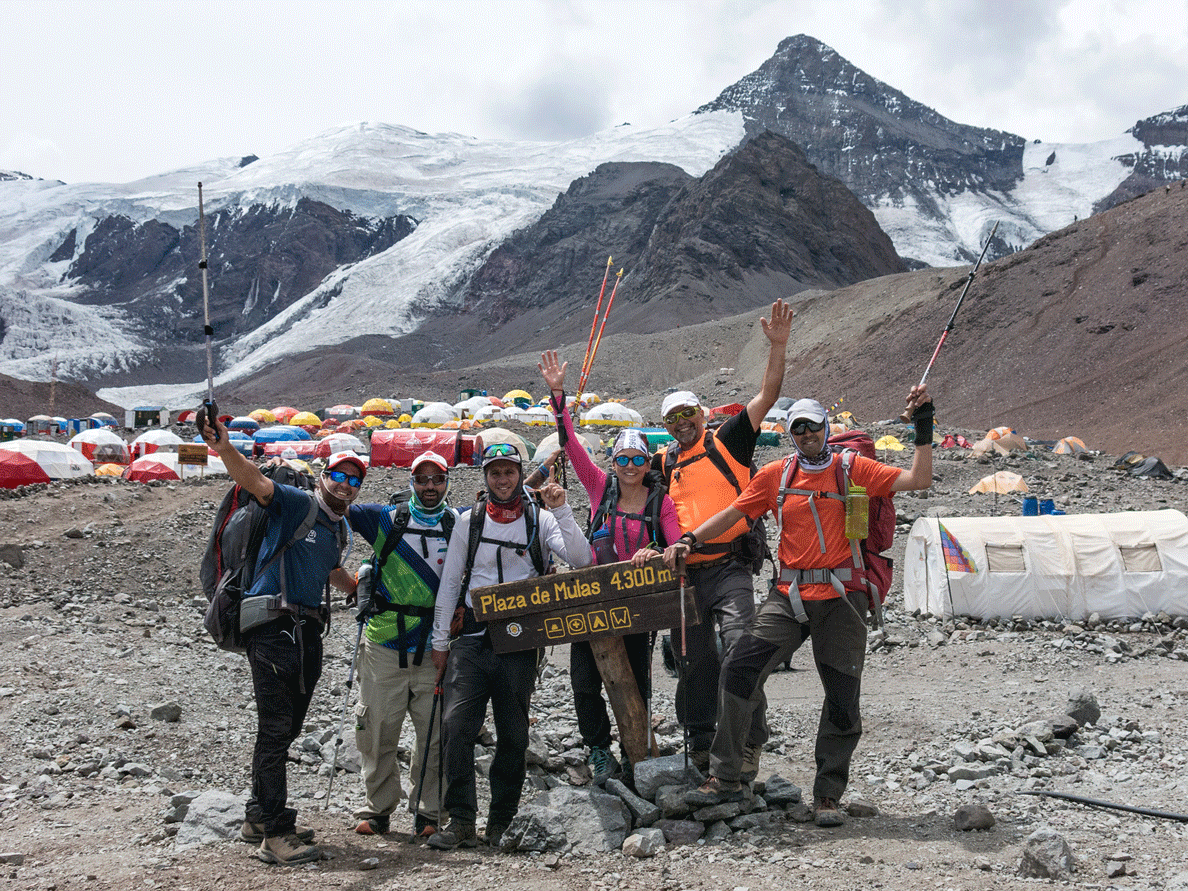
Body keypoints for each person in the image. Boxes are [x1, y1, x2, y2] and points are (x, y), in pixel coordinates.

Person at [667, 387, 934, 827]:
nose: (807, 433)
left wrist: (923, 426)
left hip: (843, 598)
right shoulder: (776, 475)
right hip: (789, 597)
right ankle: (726, 775)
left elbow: (918, 479)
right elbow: (735, 514)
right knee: (740, 669)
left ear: (826, 429)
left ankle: (827, 795)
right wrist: (690, 539)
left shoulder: (854, 469)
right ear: (790, 433)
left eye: (813, 425)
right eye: (798, 427)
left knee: (842, 698)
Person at [199, 411, 361, 866]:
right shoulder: (293, 501)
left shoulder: (338, 529)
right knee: (275, 727)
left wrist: (362, 589)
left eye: (354, 479)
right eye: (338, 475)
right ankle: (276, 833)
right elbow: (253, 481)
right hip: (272, 625)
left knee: (286, 727)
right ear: (323, 476)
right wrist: (225, 448)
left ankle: (256, 816)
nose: (345, 484)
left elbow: (330, 572)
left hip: (306, 629)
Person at [427, 443, 593, 850]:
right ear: (485, 477)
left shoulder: (539, 519)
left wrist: (562, 510)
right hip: (471, 638)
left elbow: (582, 558)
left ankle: (501, 819)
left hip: (520, 641)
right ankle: (462, 819)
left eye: (509, 472)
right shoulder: (470, 521)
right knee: (455, 726)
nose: (502, 480)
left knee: (514, 734)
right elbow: (451, 582)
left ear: (520, 474)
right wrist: (439, 641)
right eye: (495, 472)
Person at [655, 298, 793, 773]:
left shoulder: (728, 440)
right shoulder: (667, 463)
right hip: (684, 577)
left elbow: (768, 395)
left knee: (740, 651)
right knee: (693, 662)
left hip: (731, 566)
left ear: (702, 412)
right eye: (672, 420)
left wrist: (778, 347)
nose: (681, 423)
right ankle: (699, 740)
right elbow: (622, 489)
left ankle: (750, 740)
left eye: (688, 413)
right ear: (666, 427)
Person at [538, 350, 682, 784]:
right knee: (584, 682)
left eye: (639, 460)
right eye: (623, 459)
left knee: (637, 682)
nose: (631, 467)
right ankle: (599, 749)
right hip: (591, 601)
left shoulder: (662, 502)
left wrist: (656, 554)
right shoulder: (600, 490)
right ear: (614, 463)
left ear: (648, 463)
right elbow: (572, 446)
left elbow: (676, 545)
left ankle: (636, 749)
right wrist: (558, 395)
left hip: (637, 607)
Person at [342, 451, 457, 839]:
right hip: (383, 644)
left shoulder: (459, 524)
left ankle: (428, 811)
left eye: (436, 479)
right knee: (376, 729)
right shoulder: (384, 520)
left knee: (434, 734)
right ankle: (377, 809)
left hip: (435, 645)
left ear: (446, 482)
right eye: (422, 479)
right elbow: (335, 506)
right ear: (411, 482)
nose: (429, 486)